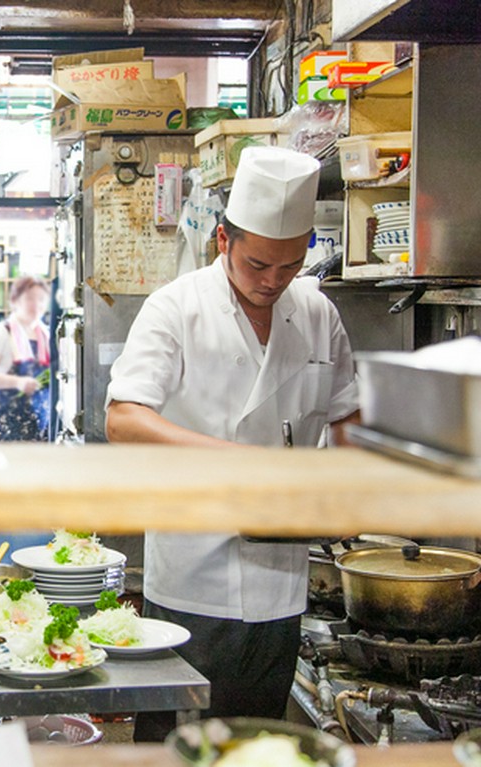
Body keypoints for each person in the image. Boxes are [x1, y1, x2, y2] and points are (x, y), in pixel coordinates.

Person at [104, 146, 360, 740]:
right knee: (175, 746)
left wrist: (349, 487)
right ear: (224, 240)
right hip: (194, 580)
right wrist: (241, 463)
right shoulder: (178, 308)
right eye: (257, 265)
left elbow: (350, 416)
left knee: (259, 745)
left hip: (282, 582)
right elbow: (124, 420)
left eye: (290, 266)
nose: (273, 281)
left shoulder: (319, 314)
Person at [0, 275, 52, 442]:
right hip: (1, 425)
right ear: (15, 301)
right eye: (30, 298)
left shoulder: (46, 336)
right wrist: (17, 382)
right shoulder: (0, 332)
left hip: (36, 426)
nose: (36, 304)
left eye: (41, 299)